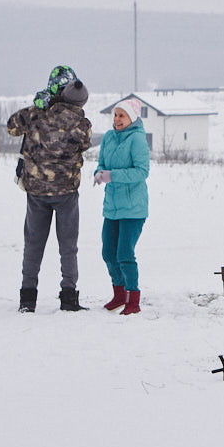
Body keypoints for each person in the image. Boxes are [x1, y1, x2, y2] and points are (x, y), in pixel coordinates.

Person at [6, 65, 93, 313]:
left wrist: (36, 107)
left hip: (36, 191)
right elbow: (84, 142)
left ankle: (27, 300)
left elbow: (12, 127)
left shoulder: (36, 113)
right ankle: (69, 298)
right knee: (68, 246)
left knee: (33, 245)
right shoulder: (79, 120)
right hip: (66, 191)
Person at [94, 97, 150, 315]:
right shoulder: (108, 137)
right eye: (115, 115)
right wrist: (99, 173)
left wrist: (112, 175)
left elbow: (142, 171)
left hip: (133, 208)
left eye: (122, 115)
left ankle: (133, 299)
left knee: (124, 253)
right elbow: (101, 163)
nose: (117, 119)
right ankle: (119, 295)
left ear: (132, 118)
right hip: (112, 207)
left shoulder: (137, 139)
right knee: (108, 252)